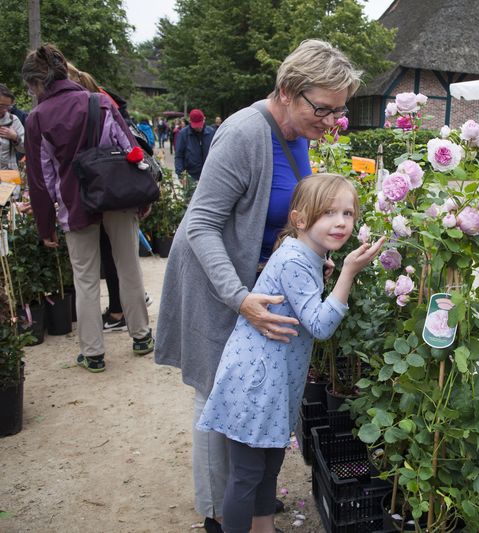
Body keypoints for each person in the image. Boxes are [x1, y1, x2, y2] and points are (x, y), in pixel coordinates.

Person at [154, 39, 361, 533]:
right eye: (324, 109)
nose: (332, 120)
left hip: (258, 283)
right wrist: (239, 297)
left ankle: (249, 509)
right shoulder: (244, 134)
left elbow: (290, 216)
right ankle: (218, 515)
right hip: (218, 283)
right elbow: (201, 225)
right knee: (217, 396)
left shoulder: (298, 133)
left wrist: (311, 262)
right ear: (288, 91)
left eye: (339, 110)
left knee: (244, 405)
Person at [197, 173, 384, 533]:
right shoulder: (296, 261)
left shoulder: (305, 255)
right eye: (328, 212)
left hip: (273, 382)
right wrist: (347, 273)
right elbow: (319, 324)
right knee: (248, 475)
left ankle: (264, 528)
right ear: (300, 220)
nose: (341, 222)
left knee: (268, 466)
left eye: (348, 213)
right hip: (257, 386)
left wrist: (327, 271)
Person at [23, 44, 152, 373]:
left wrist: (45, 224)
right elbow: (131, 150)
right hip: (117, 197)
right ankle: (141, 336)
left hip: (74, 202)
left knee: (85, 280)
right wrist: (143, 198)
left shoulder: (37, 118)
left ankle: (93, 353)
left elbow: (41, 177)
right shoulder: (100, 101)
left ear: (38, 83)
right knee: (128, 268)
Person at [174, 108, 215, 181]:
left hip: (209, 175)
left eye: (200, 124)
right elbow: (179, 156)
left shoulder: (211, 133)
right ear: (190, 121)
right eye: (195, 125)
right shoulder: (183, 134)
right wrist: (180, 175)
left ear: (204, 119)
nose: (198, 127)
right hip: (191, 176)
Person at [0, 83, 25, 170]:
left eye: (8, 106)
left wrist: (15, 137)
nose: (4, 110)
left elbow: (26, 148)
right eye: (1, 106)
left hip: (8, 175)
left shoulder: (13, 120)